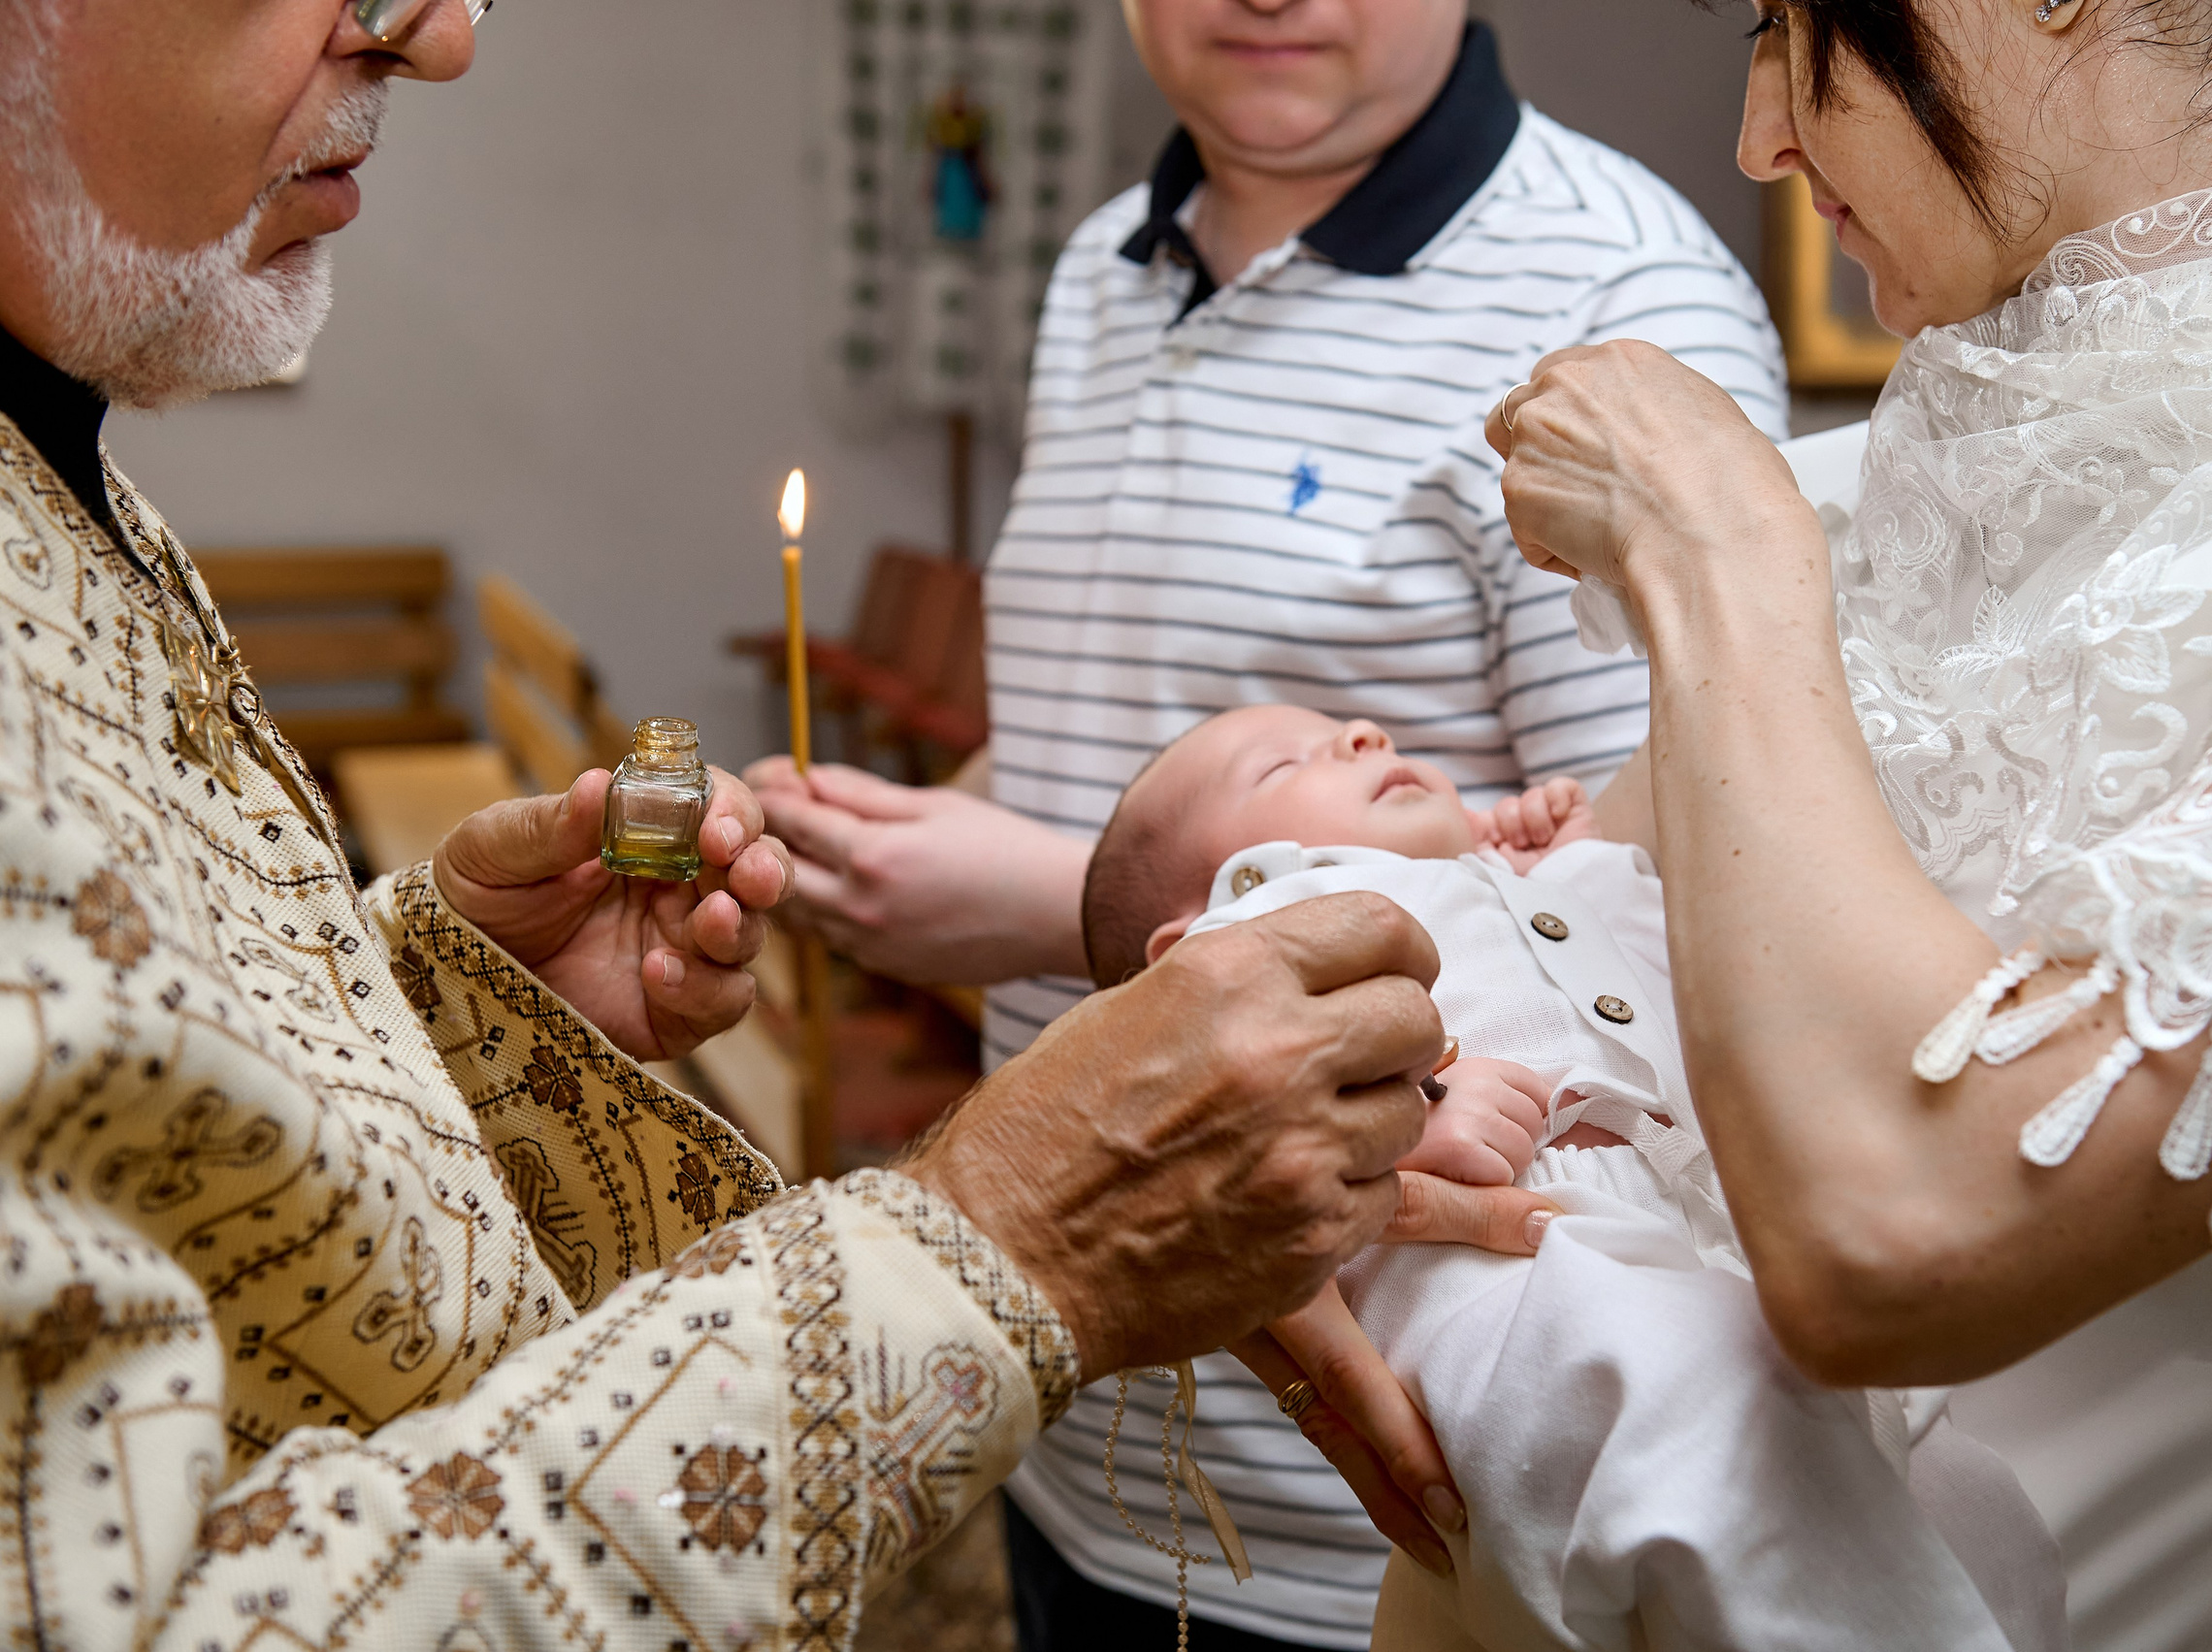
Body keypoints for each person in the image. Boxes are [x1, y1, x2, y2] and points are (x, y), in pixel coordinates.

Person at [0, 3, 1532, 1648]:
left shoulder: (60, 441)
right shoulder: (1103, 269)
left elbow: (137, 1094)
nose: (435, 37)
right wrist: (1009, 1236)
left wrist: (454, 1018)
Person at [1279, 1, 2212, 1648]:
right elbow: (1535, 972)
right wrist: (1317, 1155)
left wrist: (1708, 544)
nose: (1759, 134)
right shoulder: (1893, 475)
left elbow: (1895, 1234)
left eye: (1795, 21)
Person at [750, 0, 1788, 1639]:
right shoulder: (1109, 257)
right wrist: (900, 826)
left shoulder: (1619, 296)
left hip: (1377, 1488)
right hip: (1074, 1381)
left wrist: (1033, 900)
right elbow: (1121, 700)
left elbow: (1688, 893)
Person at [1089, 702, 2067, 1652]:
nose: (1360, 732)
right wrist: (1412, 1109)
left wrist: (1582, 865)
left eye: (1353, 729)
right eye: (1279, 764)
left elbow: (1693, 967)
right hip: (1496, 1257)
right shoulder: (1264, 923)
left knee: (1966, 1504)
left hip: (1717, 1232)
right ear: (1186, 945)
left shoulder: (1516, 881)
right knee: (1696, 1426)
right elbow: (1267, 1090)